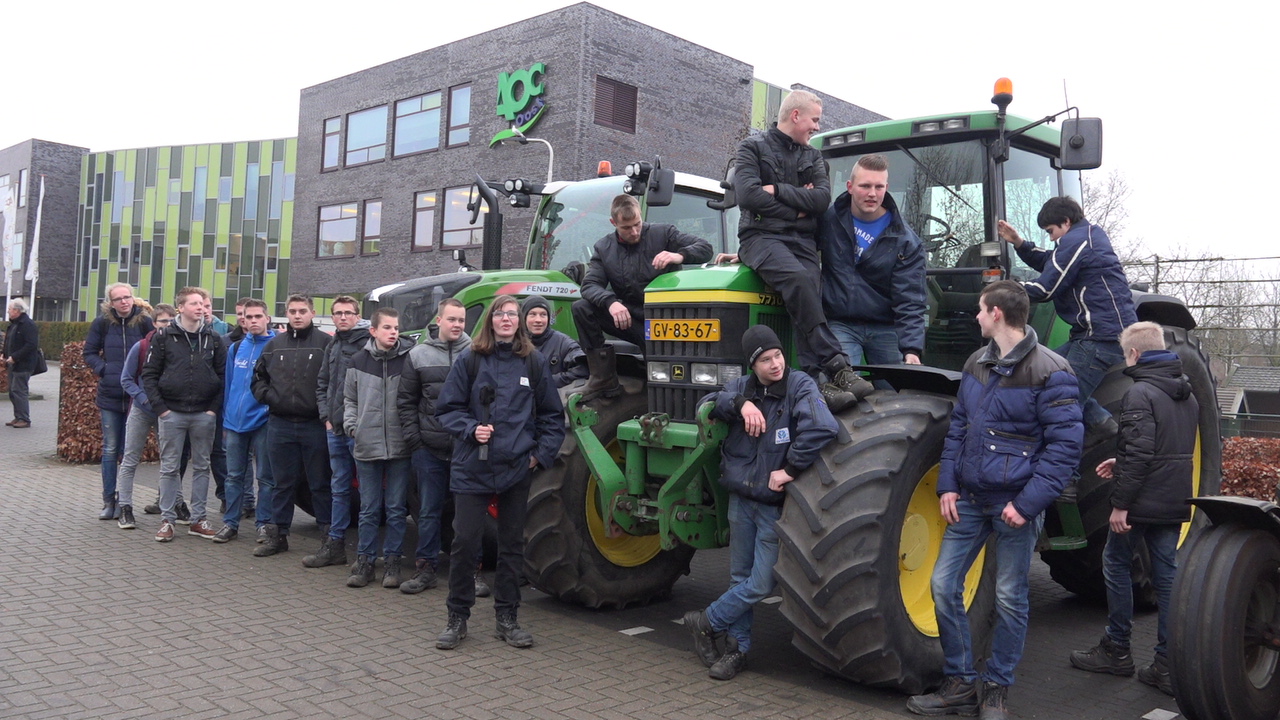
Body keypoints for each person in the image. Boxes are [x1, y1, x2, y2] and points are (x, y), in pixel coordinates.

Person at [908, 280, 1082, 720]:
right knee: (943, 586)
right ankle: (960, 682)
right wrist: (948, 484)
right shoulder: (976, 362)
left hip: (1015, 507)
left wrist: (1025, 505)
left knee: (1009, 599)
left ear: (997, 314)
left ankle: (997, 688)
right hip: (970, 499)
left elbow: (1064, 450)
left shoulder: (1052, 371)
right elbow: (959, 428)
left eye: (981, 310)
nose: (976, 317)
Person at [683, 325, 838, 681]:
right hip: (740, 499)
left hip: (770, 504)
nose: (775, 364)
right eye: (766, 359)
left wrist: (790, 469)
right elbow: (705, 405)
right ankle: (737, 651)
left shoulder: (799, 385)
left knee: (762, 582)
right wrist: (742, 404)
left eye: (778, 355)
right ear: (752, 365)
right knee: (739, 577)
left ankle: (706, 621)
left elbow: (823, 426)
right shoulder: (741, 386)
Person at [1068, 322, 1198, 696]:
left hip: (1141, 502)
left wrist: (1120, 505)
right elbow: (1164, 450)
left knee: (1115, 563)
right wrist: (1120, 462)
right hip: (1172, 499)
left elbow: (1141, 453)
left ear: (1135, 354)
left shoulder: (1140, 393)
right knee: (1166, 576)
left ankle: (1117, 649)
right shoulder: (1186, 394)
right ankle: (1167, 664)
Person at [434, 295, 565, 650]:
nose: (506, 319)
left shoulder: (533, 362)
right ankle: (457, 617)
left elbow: (553, 417)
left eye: (511, 314)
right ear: (490, 320)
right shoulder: (470, 359)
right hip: (472, 467)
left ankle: (507, 618)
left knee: (511, 546)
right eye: (499, 314)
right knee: (464, 543)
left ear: (518, 322)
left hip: (516, 468)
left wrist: (538, 457)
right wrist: (470, 429)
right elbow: (447, 409)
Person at [729, 90, 872, 413]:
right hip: (761, 238)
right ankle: (836, 365)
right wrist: (797, 209)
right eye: (814, 120)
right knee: (798, 279)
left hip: (802, 243)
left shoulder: (814, 157)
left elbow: (820, 200)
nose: (817, 127)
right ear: (796, 116)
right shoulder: (752, 148)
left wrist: (778, 191)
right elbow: (748, 196)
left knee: (809, 294)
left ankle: (815, 381)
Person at [997, 197, 1137, 431]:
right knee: (1041, 372)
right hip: (1087, 335)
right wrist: (1019, 243)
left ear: (1066, 221)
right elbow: (1052, 261)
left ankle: (1073, 448)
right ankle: (1105, 428)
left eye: (1051, 231)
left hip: (1100, 338)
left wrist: (1004, 290)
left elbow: (1046, 289)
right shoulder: (1086, 237)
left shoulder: (1078, 240)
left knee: (1060, 403)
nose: (1051, 238)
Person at [571, 194, 712, 400]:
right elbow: (589, 285)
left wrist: (679, 255)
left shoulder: (663, 234)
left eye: (637, 224)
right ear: (613, 223)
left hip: (664, 322)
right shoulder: (604, 248)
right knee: (582, 307)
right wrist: (611, 302)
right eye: (626, 228)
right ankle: (603, 378)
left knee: (665, 389)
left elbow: (705, 248)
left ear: (641, 216)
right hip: (630, 319)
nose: (634, 231)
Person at [817, 154, 926, 371]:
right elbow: (797, 245)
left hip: (886, 327)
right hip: (840, 323)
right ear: (850, 187)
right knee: (842, 381)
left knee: (900, 386)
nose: (872, 194)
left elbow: (910, 298)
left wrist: (911, 350)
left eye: (879, 187)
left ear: (886, 188)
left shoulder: (905, 241)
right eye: (865, 186)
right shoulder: (828, 221)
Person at [397, 298, 472, 594]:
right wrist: (416, 442)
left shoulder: (475, 352)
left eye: (461, 320)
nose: (457, 325)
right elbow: (406, 402)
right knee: (428, 512)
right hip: (429, 449)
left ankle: (471, 572)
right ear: (438, 321)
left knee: (468, 515)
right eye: (452, 319)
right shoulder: (418, 355)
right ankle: (426, 569)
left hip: (466, 448)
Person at [141, 287, 226, 543]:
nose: (200, 308)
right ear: (181, 307)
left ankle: (198, 519)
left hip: (203, 414)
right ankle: (167, 520)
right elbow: (149, 375)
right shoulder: (163, 337)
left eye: (203, 304)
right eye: (194, 303)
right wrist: (162, 410)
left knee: (202, 467)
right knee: (169, 468)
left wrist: (212, 409)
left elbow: (223, 376)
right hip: (172, 414)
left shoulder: (213, 338)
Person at [251, 295, 333, 557]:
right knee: (281, 484)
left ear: (312, 313)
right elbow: (258, 379)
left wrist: (323, 410)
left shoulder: (325, 344)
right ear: (286, 314)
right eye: (293, 311)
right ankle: (278, 536)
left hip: (314, 425)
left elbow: (334, 381)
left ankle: (329, 538)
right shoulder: (274, 345)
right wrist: (272, 398)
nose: (297, 315)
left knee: (320, 483)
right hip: (280, 424)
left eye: (302, 311)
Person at [343, 308, 416, 589]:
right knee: (369, 509)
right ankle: (365, 562)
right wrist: (353, 427)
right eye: (387, 327)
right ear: (373, 331)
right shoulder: (358, 361)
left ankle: (393, 563)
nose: (393, 332)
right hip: (366, 444)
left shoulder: (408, 360)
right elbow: (350, 399)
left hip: (399, 446)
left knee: (396, 509)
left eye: (396, 328)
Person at [304, 295, 369, 569]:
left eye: (348, 313)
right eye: (338, 313)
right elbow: (323, 383)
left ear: (357, 316)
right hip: (335, 429)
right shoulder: (333, 344)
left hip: (359, 432)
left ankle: (366, 553)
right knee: (339, 488)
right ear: (332, 317)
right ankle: (335, 545)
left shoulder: (367, 344)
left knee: (368, 493)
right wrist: (326, 417)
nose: (343, 317)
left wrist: (361, 423)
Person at [83, 283, 154, 518]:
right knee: (111, 448)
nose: (124, 302)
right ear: (111, 303)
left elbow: (155, 350)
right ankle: (108, 501)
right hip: (110, 395)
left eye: (127, 297)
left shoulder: (144, 322)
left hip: (136, 397)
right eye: (119, 299)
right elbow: (89, 352)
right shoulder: (102, 323)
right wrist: (105, 370)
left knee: (129, 451)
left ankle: (125, 502)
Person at [116, 304, 185, 530]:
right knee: (130, 459)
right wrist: (144, 399)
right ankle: (125, 507)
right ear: (154, 323)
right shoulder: (141, 346)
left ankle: (177, 503)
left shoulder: (179, 346)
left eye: (171, 321)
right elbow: (126, 379)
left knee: (171, 461)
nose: (167, 325)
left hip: (167, 411)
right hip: (142, 410)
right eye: (163, 321)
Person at [213, 299, 275, 543]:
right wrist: (227, 417)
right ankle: (230, 523)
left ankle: (264, 524)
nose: (253, 321)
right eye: (249, 317)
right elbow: (229, 385)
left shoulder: (275, 346)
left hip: (263, 422)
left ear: (267, 318)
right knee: (233, 477)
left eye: (258, 316)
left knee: (265, 478)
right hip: (234, 423)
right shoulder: (236, 348)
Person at [521, 295, 587, 388]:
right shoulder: (515, 342)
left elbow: (582, 369)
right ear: (524, 317)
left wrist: (548, 382)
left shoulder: (563, 342)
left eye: (543, 314)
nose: (538, 320)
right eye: (532, 314)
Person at [2, 299, 39, 429]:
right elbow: (9, 342)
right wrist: (4, 354)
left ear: (17, 310)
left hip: (23, 364)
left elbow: (31, 345)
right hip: (12, 363)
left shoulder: (27, 325)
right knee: (13, 391)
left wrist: (15, 357)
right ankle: (18, 416)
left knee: (19, 391)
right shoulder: (14, 324)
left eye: (10, 309)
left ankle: (24, 418)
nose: (8, 311)